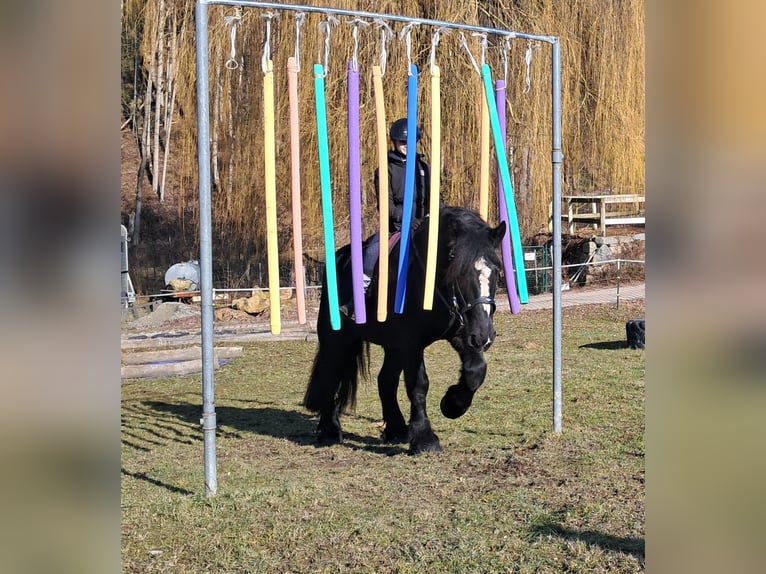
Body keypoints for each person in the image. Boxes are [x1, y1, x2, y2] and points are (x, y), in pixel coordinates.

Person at [342, 118, 441, 318]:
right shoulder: (385, 170)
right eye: (401, 142)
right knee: (372, 251)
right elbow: (386, 205)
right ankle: (357, 298)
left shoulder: (425, 169)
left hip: (425, 224)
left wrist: (434, 215)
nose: (405, 146)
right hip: (396, 226)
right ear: (394, 142)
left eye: (409, 142)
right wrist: (406, 220)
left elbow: (437, 198)